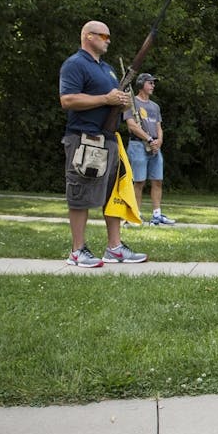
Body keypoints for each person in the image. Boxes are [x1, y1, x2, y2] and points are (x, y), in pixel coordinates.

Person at [59, 23, 149, 267]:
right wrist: (106, 98)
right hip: (84, 138)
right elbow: (67, 99)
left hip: (108, 139)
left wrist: (120, 103)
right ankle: (77, 251)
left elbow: (111, 102)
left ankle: (114, 248)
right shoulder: (75, 64)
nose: (109, 40)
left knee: (112, 194)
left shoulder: (107, 69)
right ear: (88, 37)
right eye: (104, 35)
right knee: (80, 192)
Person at [125, 73, 174, 225]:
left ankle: (157, 215)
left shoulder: (155, 106)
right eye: (150, 83)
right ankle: (135, 216)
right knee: (139, 182)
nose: (153, 85)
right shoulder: (131, 103)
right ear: (141, 84)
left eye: (153, 83)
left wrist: (159, 141)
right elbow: (131, 125)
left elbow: (159, 127)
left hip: (154, 147)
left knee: (157, 181)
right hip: (138, 145)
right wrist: (149, 139)